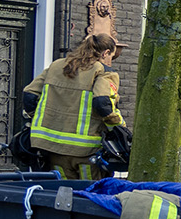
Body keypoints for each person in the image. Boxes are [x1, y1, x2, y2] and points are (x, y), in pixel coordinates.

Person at [21, 33, 122, 179]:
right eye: (111, 57)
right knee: (89, 193)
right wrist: (120, 128)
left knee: (64, 193)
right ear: (106, 53)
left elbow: (29, 95)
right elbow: (102, 103)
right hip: (86, 151)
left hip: (52, 148)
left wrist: (39, 118)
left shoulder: (56, 66)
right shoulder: (103, 72)